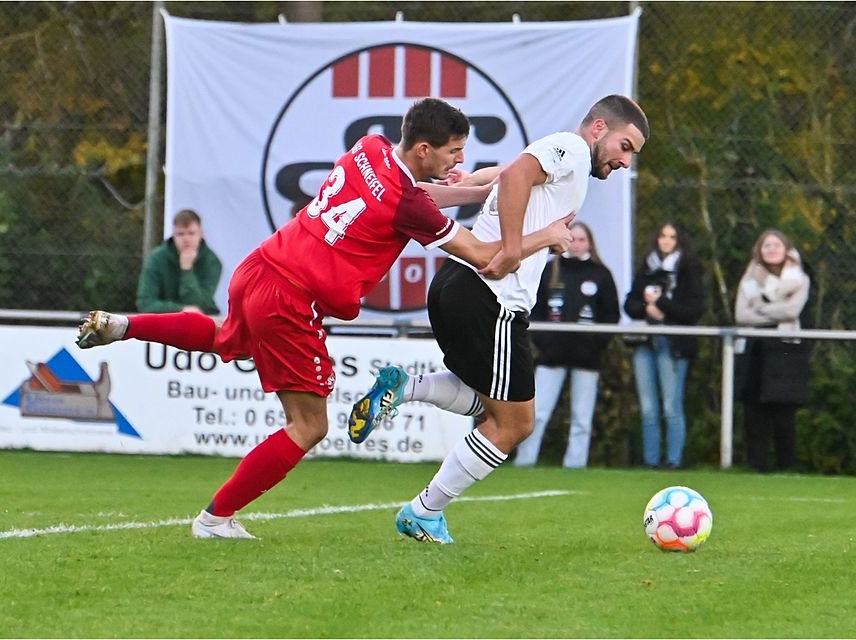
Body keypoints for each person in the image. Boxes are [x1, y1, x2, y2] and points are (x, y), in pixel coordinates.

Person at [75, 97, 574, 539]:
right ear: (423, 149)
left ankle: (124, 325)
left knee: (228, 338)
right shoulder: (408, 203)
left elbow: (410, 201)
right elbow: (486, 255)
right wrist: (544, 236)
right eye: (452, 152)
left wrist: (470, 192)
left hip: (261, 266)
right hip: (291, 299)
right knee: (308, 426)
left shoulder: (370, 147)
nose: (460, 161)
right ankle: (214, 520)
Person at [349, 95, 649, 543]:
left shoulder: (566, 163)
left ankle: (405, 387)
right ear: (600, 128)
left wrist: (471, 181)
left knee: (491, 404)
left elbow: (506, 172)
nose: (626, 161)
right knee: (515, 424)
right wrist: (513, 247)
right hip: (491, 299)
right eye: (626, 146)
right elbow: (516, 174)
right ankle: (424, 511)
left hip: (455, 286)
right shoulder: (571, 145)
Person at [513, 222, 620, 468]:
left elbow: (610, 315)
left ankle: (575, 464)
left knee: (582, 418)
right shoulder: (551, 270)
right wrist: (545, 343)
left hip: (587, 359)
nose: (577, 244)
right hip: (551, 356)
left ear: (590, 243)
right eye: (573, 239)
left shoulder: (600, 274)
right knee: (537, 414)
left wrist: (595, 346)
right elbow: (534, 310)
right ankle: (525, 461)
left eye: (582, 240)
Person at [623, 221, 704, 469]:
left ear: (679, 241)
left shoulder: (689, 270)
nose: (666, 241)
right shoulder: (647, 269)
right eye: (662, 235)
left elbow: (694, 310)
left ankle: (673, 461)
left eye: (672, 236)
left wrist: (663, 307)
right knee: (648, 407)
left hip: (673, 344)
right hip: (645, 342)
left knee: (671, 405)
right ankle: (650, 460)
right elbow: (630, 304)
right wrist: (646, 309)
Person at [734, 229, 812, 473]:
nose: (771, 249)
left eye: (776, 245)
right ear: (759, 250)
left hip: (786, 351)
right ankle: (757, 466)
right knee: (754, 410)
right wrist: (774, 311)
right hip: (754, 350)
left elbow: (792, 312)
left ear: (786, 249)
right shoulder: (748, 280)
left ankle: (787, 466)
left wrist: (759, 308)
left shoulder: (800, 279)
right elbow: (741, 315)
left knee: (783, 411)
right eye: (766, 245)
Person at [136, 208, 223, 315]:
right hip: (164, 321)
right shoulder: (156, 259)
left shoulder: (212, 262)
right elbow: (145, 303)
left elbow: (199, 305)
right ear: (173, 235)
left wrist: (187, 270)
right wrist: (181, 310)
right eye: (180, 234)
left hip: (200, 322)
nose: (186, 239)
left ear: (201, 234)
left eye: (191, 233)